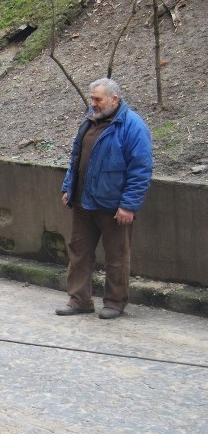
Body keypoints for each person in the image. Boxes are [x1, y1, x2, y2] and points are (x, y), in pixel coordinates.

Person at [56, 78, 153, 320]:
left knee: (117, 257)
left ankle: (115, 302)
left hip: (113, 206)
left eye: (97, 99)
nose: (93, 103)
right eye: (91, 98)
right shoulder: (89, 120)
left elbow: (141, 169)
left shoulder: (133, 126)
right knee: (79, 252)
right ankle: (79, 300)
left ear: (114, 99)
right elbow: (76, 158)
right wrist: (69, 187)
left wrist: (128, 205)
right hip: (83, 202)